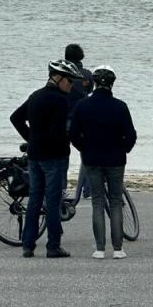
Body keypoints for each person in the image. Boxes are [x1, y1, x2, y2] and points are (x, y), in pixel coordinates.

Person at [10, 59, 83, 258]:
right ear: (57, 78)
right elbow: (60, 131)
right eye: (69, 80)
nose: (71, 85)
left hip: (35, 155)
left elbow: (15, 117)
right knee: (52, 201)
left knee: (34, 199)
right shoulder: (60, 100)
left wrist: (31, 137)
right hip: (54, 157)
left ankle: (28, 244)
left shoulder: (35, 96)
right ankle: (53, 245)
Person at [69, 65, 137, 259]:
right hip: (116, 159)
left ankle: (99, 248)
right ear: (112, 84)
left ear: (94, 83)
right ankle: (118, 249)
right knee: (115, 201)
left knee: (97, 202)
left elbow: (73, 134)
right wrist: (123, 149)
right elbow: (130, 135)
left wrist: (84, 148)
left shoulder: (83, 105)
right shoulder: (120, 106)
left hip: (92, 158)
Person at [63, 43, 95, 198]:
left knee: (62, 154)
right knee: (87, 153)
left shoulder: (61, 75)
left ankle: (61, 187)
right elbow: (89, 91)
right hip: (82, 119)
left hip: (62, 119)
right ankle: (87, 188)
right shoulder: (87, 75)